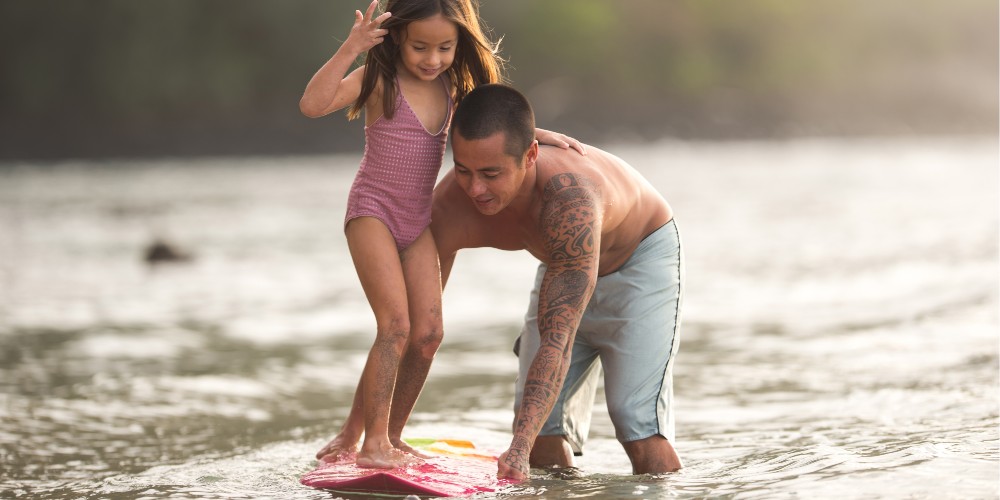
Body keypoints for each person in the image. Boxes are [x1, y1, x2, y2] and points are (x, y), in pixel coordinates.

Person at [299, 0, 582, 469]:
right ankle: (371, 445)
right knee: (395, 327)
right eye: (420, 47)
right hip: (372, 213)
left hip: (417, 222)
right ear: (396, 38)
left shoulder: (454, 88)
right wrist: (352, 47)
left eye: (444, 48)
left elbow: (499, 123)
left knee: (428, 334)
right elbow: (311, 105)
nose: (432, 59)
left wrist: (539, 137)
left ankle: (390, 435)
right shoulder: (379, 80)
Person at [431, 84, 684, 480]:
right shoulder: (451, 202)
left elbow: (557, 340)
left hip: (639, 260)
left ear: (529, 155)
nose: (475, 189)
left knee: (635, 422)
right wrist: (373, 435)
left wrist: (515, 450)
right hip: (565, 264)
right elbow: (414, 328)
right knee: (539, 432)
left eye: (491, 174)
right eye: (464, 171)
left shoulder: (570, 204)